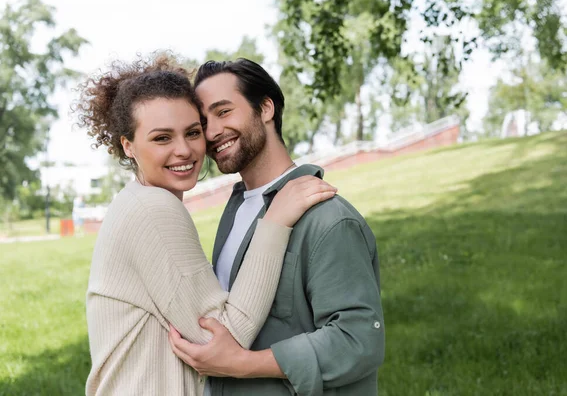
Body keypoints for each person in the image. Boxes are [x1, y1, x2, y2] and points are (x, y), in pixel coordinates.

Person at [75, 54, 337, 396]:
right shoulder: (153, 210)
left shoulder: (137, 201)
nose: (183, 150)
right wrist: (274, 220)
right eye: (162, 138)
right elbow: (226, 334)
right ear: (129, 146)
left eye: (192, 132)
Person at [168, 58, 385, 396]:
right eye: (204, 121)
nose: (211, 133)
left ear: (266, 108)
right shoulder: (236, 210)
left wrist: (240, 363)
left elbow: (358, 340)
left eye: (223, 112)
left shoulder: (328, 219)